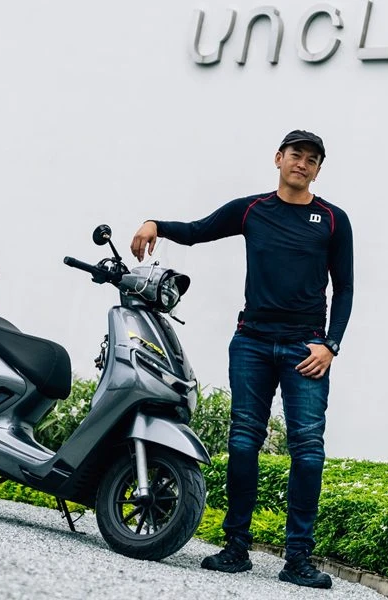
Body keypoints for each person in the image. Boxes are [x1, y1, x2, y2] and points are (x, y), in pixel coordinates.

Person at [130, 130, 353, 589]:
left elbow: (345, 287)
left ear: (317, 170)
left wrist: (330, 345)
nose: (303, 163)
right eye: (296, 155)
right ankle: (236, 548)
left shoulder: (333, 220)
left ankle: (298, 558)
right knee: (244, 442)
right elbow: (197, 231)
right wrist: (155, 224)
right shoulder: (252, 210)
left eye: (312, 159)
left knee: (308, 450)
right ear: (279, 158)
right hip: (252, 342)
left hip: (306, 348)